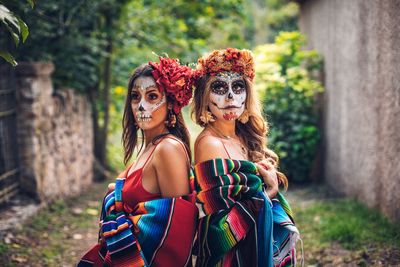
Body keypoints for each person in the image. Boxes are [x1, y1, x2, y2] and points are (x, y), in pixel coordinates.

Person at [78, 57, 198, 267]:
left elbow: (176, 233)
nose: (141, 106)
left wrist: (119, 229)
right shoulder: (149, 148)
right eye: (135, 97)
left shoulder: (167, 149)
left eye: (152, 96)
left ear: (171, 104)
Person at [191, 48, 300, 266]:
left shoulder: (244, 136)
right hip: (231, 259)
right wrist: (268, 192)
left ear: (247, 93)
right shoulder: (209, 143)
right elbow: (220, 226)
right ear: (204, 96)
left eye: (238, 87)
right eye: (219, 88)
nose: (230, 96)